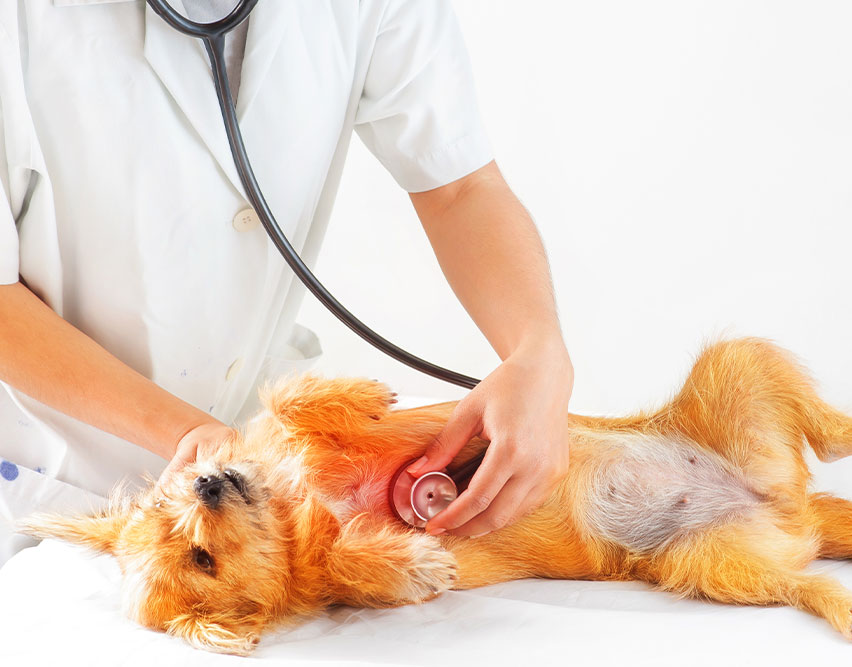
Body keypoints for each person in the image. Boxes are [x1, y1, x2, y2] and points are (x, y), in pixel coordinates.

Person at [0, 0, 573, 565]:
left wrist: (537, 352)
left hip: (253, 479)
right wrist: (185, 433)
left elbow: (459, 187)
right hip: (57, 468)